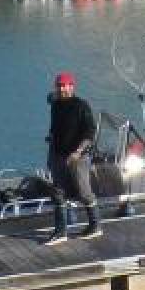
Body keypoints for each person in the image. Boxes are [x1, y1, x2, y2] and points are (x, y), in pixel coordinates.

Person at [44, 70, 100, 242]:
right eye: (59, 86)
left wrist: (78, 152)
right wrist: (50, 153)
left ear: (72, 86)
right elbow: (54, 129)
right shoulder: (56, 105)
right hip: (58, 155)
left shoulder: (81, 106)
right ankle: (61, 231)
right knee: (57, 192)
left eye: (65, 86)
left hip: (78, 157)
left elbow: (90, 132)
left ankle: (95, 226)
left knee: (84, 192)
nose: (62, 89)